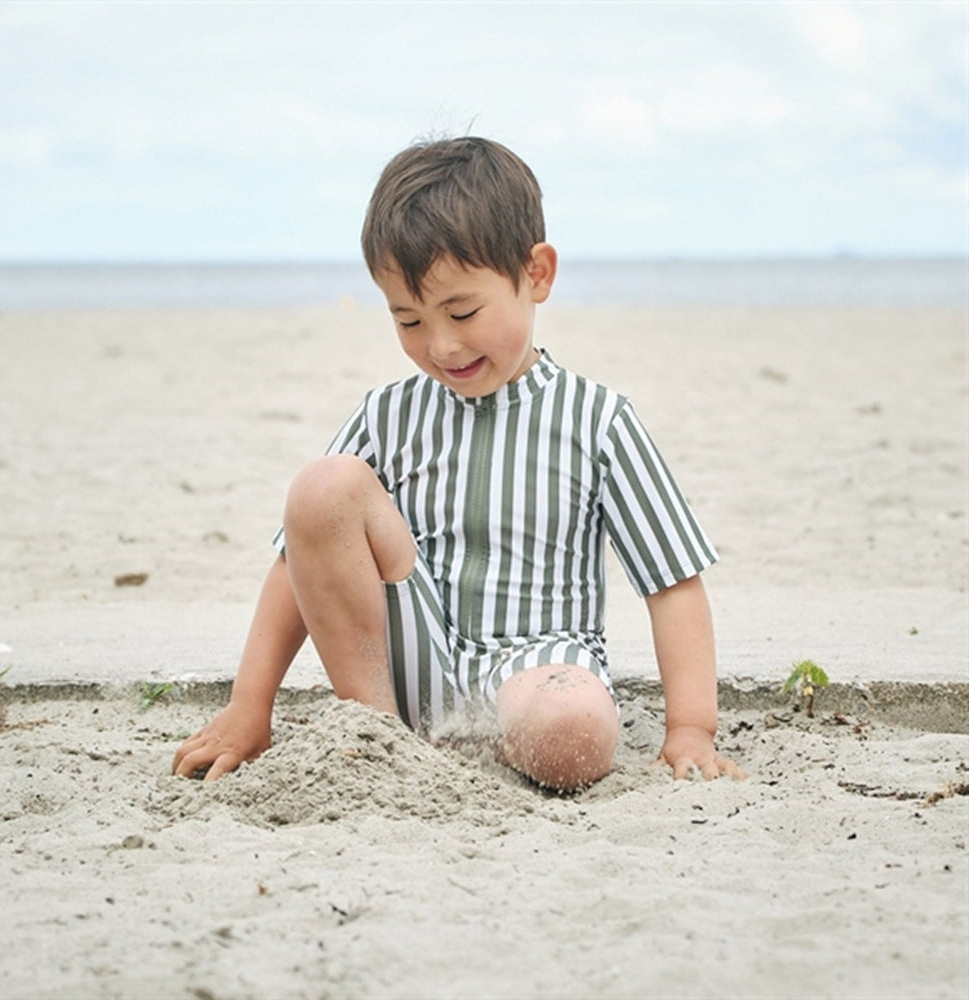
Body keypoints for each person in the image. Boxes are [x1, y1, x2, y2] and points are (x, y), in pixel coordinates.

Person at [172, 136, 744, 790]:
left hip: (538, 668)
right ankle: (377, 733)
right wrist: (250, 706)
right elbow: (297, 557)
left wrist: (690, 728)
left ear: (537, 275)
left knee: (576, 728)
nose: (441, 346)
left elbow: (672, 582)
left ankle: (489, 745)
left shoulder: (598, 420)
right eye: (409, 321)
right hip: (408, 667)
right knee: (323, 486)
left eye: (463, 312)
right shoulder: (389, 415)